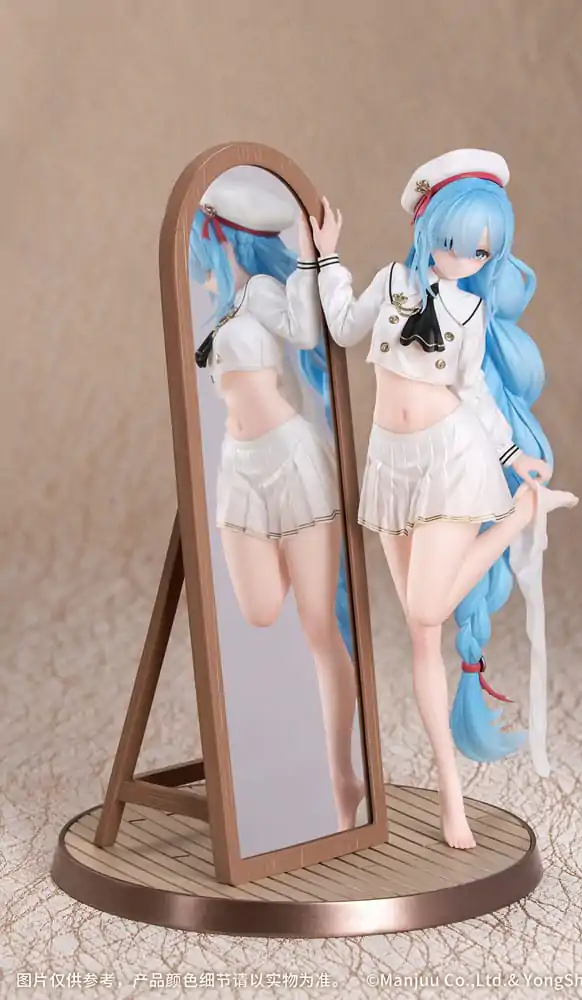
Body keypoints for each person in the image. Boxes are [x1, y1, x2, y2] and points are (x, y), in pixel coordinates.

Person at [310, 149, 578, 848]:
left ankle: (518, 516)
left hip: (451, 459)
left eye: (480, 251)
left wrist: (512, 458)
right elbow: (342, 325)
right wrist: (327, 259)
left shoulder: (471, 309)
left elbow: (475, 392)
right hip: (389, 463)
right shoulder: (391, 282)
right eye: (456, 242)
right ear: (427, 226)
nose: (464, 259)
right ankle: (450, 798)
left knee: (427, 608)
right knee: (419, 631)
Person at [190, 175, 365, 830]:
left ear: (220, 237)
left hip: (291, 461)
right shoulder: (221, 307)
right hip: (239, 469)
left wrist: (313, 256)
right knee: (260, 610)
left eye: (203, 238)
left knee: (319, 626)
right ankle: (279, 755)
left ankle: (341, 773)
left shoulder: (262, 292)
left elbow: (305, 328)